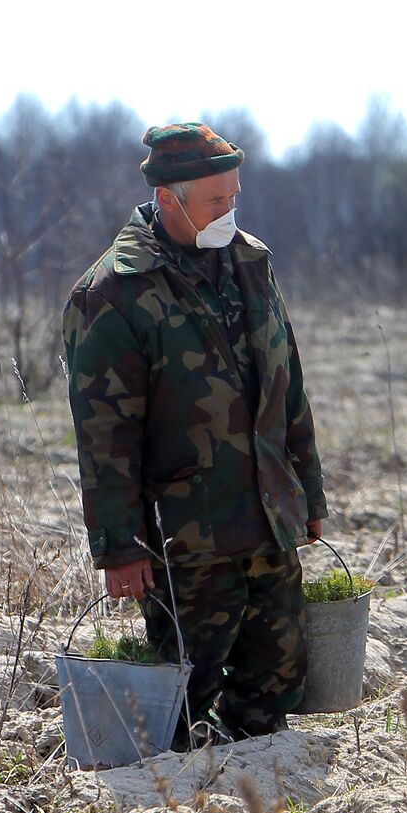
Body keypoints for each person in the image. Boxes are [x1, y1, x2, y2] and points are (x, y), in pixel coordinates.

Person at [63, 122, 327, 747]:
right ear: (167, 201)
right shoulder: (113, 295)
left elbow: (289, 388)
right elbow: (105, 437)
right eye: (215, 202)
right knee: (180, 697)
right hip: (185, 536)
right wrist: (119, 546)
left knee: (275, 679)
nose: (228, 211)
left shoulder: (251, 263)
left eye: (234, 197)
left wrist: (308, 495)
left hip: (267, 515)